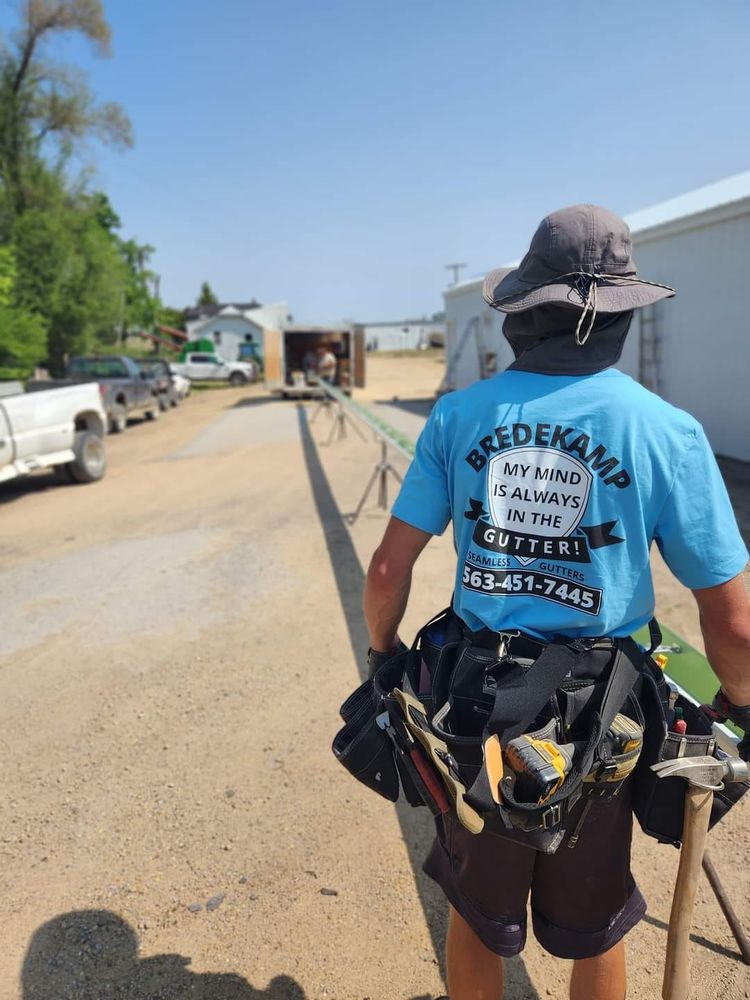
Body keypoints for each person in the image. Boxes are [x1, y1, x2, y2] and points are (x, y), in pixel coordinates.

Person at [362, 204, 750, 1000]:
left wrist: (383, 655)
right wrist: (741, 708)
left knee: (476, 913)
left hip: (475, 710)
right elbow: (734, 618)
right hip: (603, 717)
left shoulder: (460, 416)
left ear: (527, 312)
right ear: (617, 318)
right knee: (597, 926)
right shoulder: (665, 430)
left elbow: (384, 571)